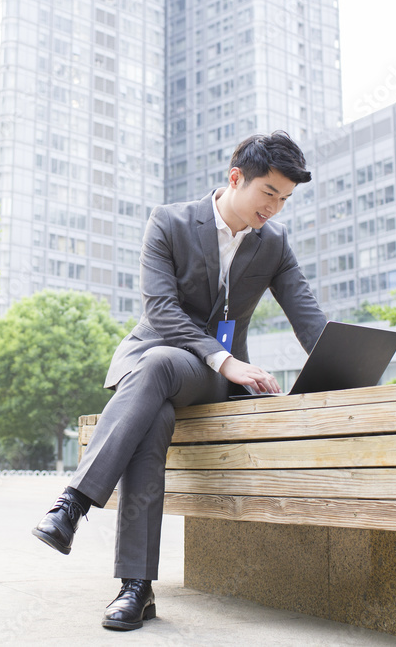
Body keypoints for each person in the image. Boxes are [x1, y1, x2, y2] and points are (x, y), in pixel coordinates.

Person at [32, 130, 328, 630]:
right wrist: (224, 358)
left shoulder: (273, 243)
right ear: (236, 179)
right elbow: (162, 311)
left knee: (160, 369)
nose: (275, 208)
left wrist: (349, 369)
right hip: (159, 359)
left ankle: (72, 504)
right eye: (269, 193)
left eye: (285, 199)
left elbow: (307, 315)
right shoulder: (168, 222)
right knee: (156, 407)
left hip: (205, 379)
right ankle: (136, 588)